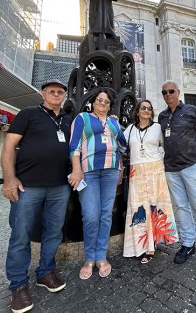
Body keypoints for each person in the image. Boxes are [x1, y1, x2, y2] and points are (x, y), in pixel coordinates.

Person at [1, 79, 72, 313]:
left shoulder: (67, 120)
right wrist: (9, 178)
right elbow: (9, 147)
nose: (56, 95)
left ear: (64, 95)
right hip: (28, 186)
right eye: (51, 91)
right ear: (43, 94)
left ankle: (45, 272)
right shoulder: (28, 114)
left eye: (60, 92)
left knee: (53, 232)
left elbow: (74, 150)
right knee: (21, 234)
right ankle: (18, 285)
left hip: (60, 186)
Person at [158, 80, 196, 270]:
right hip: (171, 168)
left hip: (191, 165)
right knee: (182, 208)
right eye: (164, 92)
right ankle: (188, 243)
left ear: (178, 92)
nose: (168, 94)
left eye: (171, 91)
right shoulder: (161, 116)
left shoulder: (191, 110)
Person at [69, 89, 128, 280]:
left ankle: (101, 256)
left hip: (110, 172)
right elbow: (74, 146)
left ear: (110, 105)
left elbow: (123, 146)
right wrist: (76, 169)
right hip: (89, 172)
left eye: (106, 101)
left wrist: (117, 130)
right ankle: (89, 257)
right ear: (93, 103)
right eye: (99, 100)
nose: (102, 103)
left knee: (105, 215)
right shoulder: (82, 118)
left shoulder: (113, 122)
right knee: (90, 215)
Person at [122, 100, 178, 263]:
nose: (146, 110)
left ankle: (153, 243)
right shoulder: (130, 130)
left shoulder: (157, 128)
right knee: (138, 208)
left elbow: (168, 146)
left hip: (155, 171)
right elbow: (120, 144)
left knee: (156, 205)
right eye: (143, 108)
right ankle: (140, 246)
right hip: (136, 172)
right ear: (137, 111)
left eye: (149, 108)